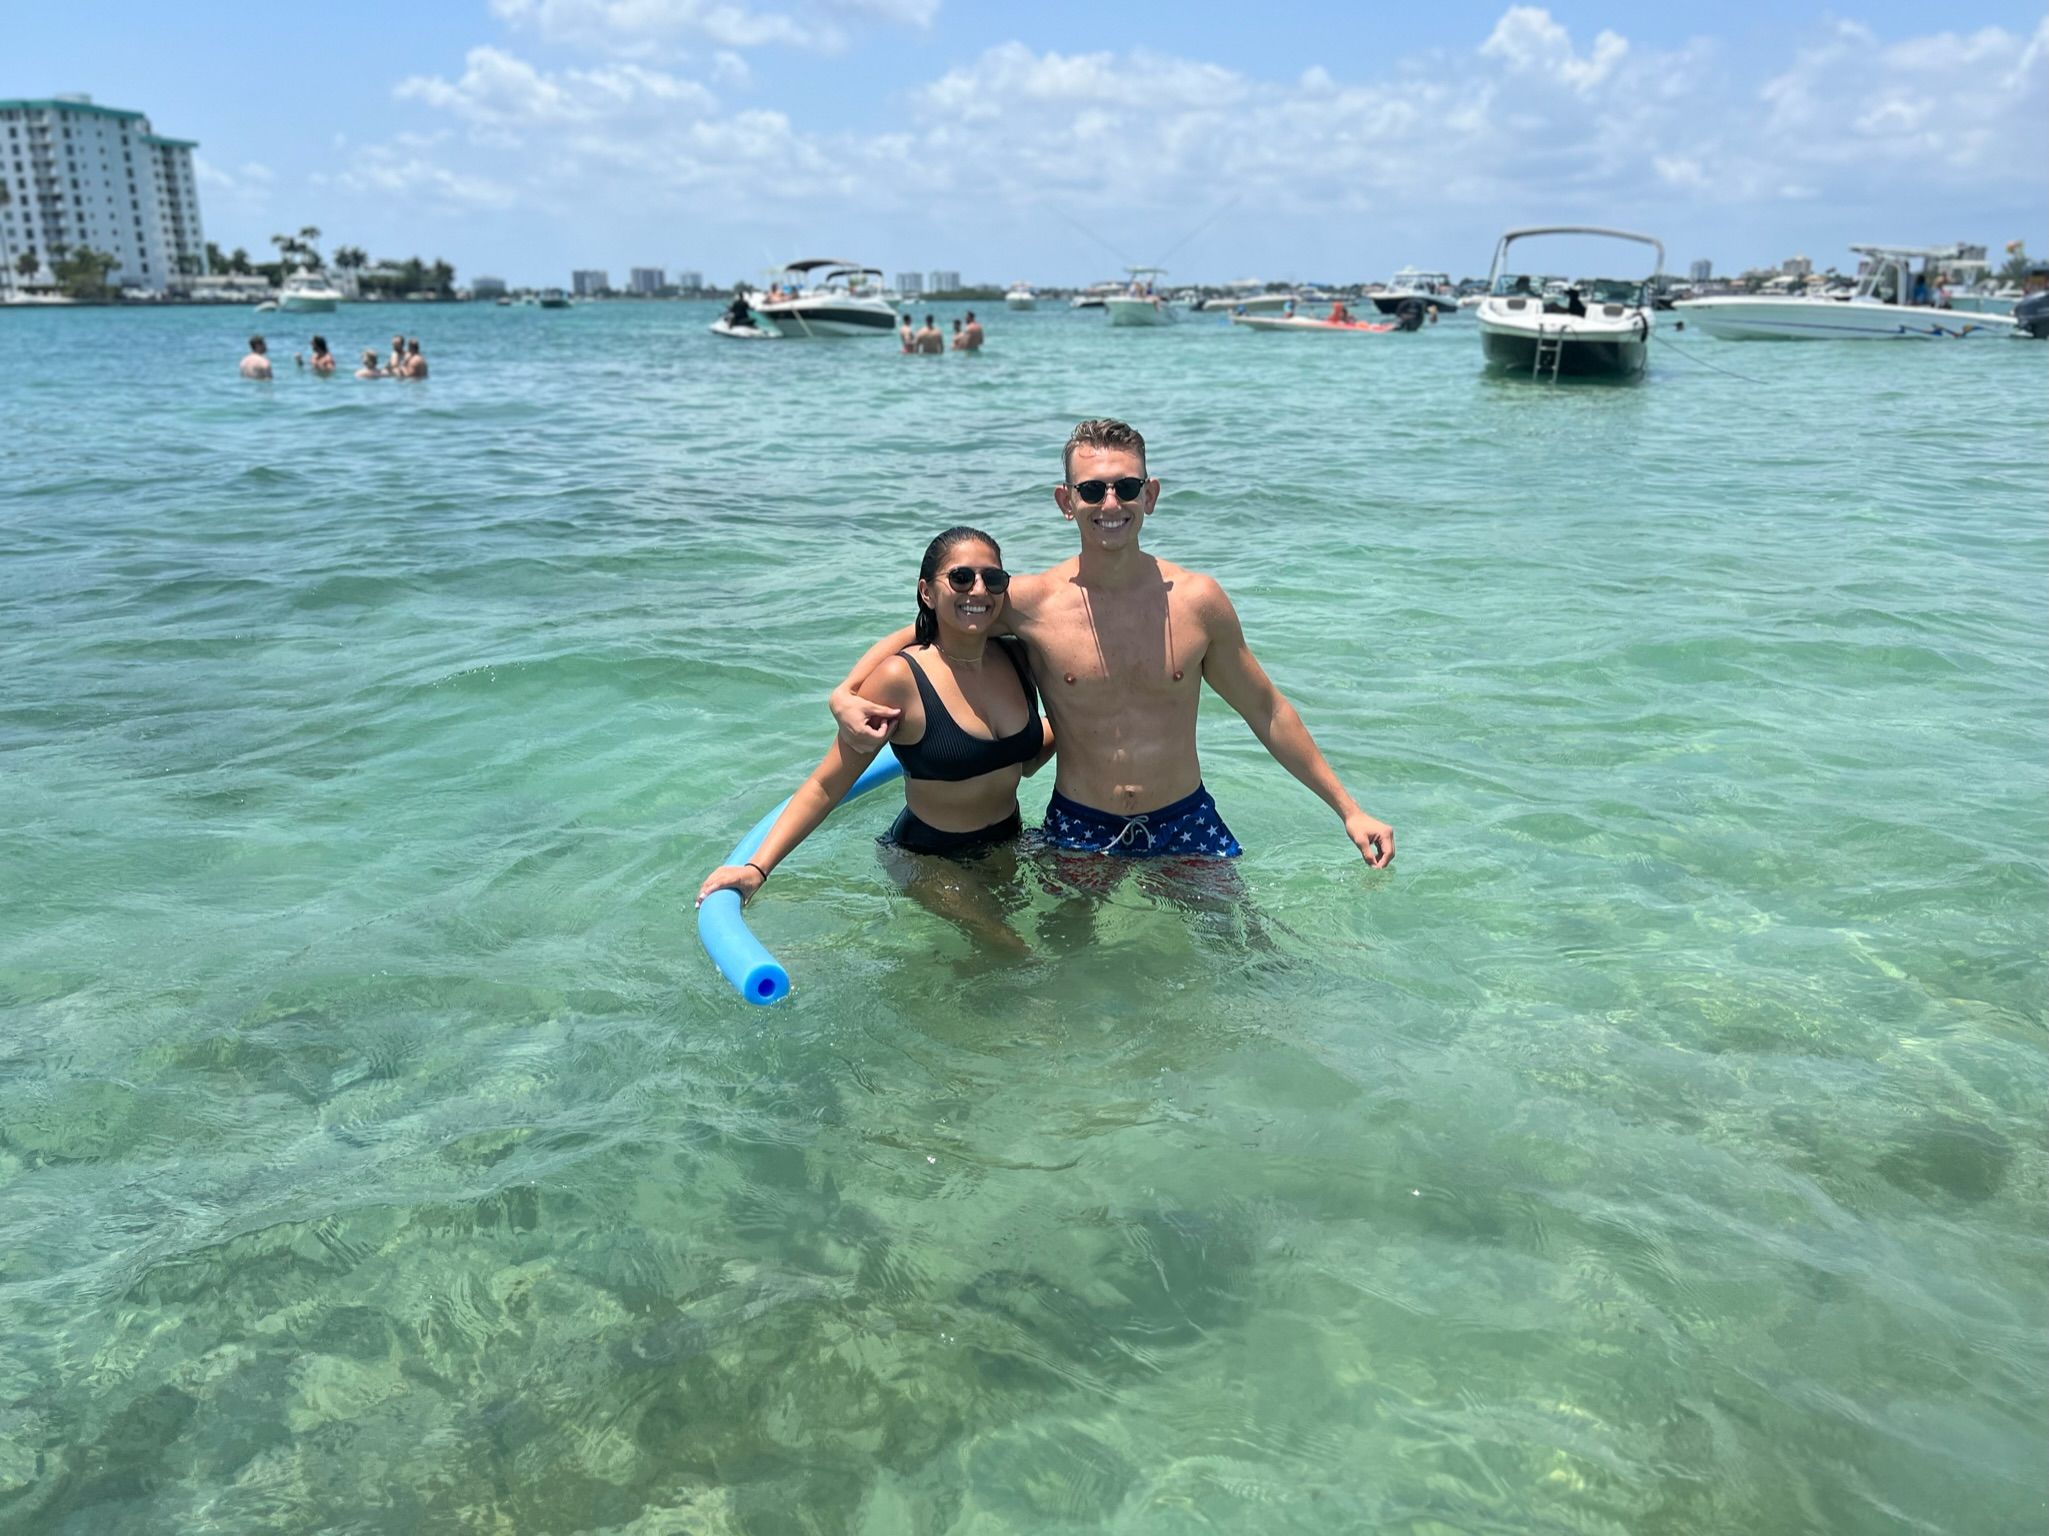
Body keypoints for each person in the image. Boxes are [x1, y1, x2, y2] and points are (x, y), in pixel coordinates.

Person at [828, 419, 1394, 869]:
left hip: (1185, 819)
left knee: (1247, 960)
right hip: (1079, 826)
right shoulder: (1028, 602)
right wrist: (847, 694)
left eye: (1125, 488)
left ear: (1149, 494)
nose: (1110, 504)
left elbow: (1266, 709)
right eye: (1092, 490)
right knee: (1064, 983)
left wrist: (1349, 809)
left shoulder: (1198, 601)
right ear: (1065, 499)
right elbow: (933, 627)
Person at [699, 526, 1055, 937]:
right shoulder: (899, 678)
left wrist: (1082, 728)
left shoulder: (1017, 656)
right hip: (928, 859)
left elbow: (1022, 761)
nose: (978, 590)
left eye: (992, 579)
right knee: (1013, 952)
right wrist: (756, 869)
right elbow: (826, 785)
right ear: (927, 592)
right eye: (960, 577)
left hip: (1007, 842)